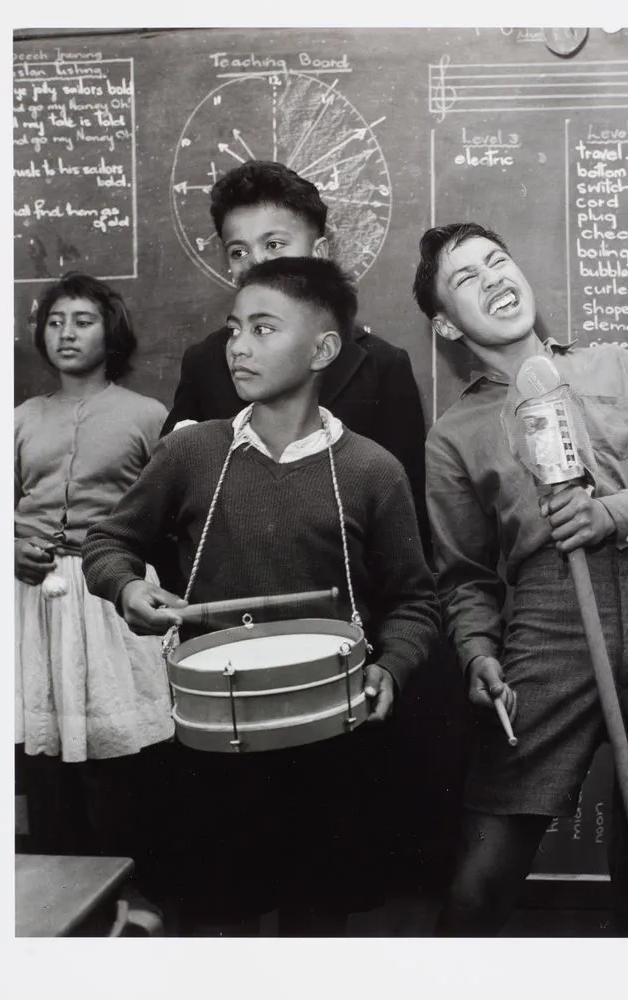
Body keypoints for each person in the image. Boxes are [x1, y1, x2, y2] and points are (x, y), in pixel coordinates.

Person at [414, 222, 628, 936]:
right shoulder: (454, 433)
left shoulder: (612, 365)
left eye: (497, 261)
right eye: (467, 279)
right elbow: (466, 576)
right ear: (445, 323)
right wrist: (478, 652)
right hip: (547, 623)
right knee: (480, 881)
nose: (494, 279)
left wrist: (607, 515)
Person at [83, 257, 439, 935]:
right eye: (233, 328)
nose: (238, 345)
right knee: (219, 926)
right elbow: (107, 543)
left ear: (323, 349)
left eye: (263, 327)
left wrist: (392, 667)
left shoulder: (370, 469)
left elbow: (415, 602)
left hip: (332, 743)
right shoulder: (194, 454)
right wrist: (126, 586)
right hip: (217, 748)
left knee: (315, 929)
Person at [161, 159, 429, 550]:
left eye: (273, 244)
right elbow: (166, 500)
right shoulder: (207, 362)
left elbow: (409, 522)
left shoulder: (381, 366)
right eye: (238, 251)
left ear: (319, 252)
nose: (256, 263)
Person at [14, 272, 173, 879]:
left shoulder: (145, 415)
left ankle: (138, 895)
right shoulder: (22, 418)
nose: (66, 333)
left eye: (82, 320)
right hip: (34, 599)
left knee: (121, 755)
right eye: (55, 322)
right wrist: (12, 549)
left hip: (111, 595)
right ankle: (62, 896)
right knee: (48, 755)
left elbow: (171, 508)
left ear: (111, 333)